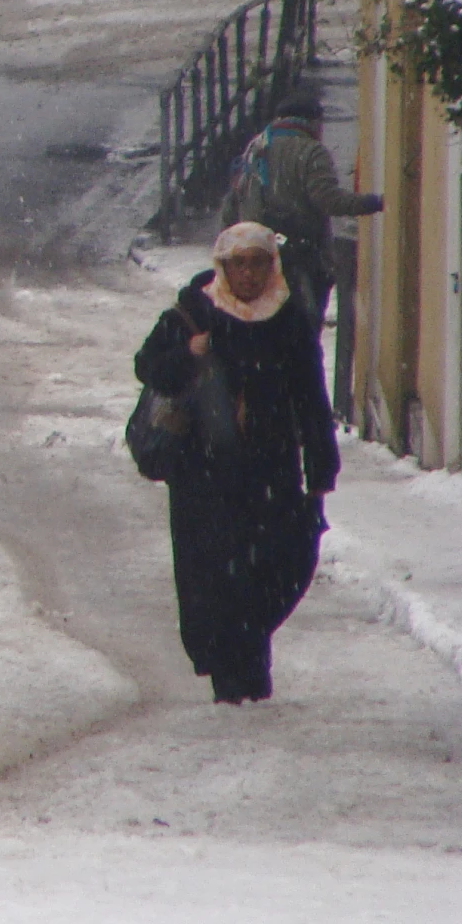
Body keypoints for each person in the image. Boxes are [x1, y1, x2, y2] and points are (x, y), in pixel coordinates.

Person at [134, 222, 339, 703]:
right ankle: (231, 668)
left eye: (258, 263)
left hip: (270, 470)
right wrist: (188, 352)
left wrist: (320, 465)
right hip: (203, 475)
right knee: (212, 576)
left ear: (273, 265)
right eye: (239, 264)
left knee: (275, 565)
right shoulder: (197, 310)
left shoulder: (288, 318)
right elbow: (148, 366)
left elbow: (310, 396)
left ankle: (246, 653)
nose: (248, 274)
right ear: (223, 267)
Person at [220, 87, 383, 331]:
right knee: (301, 335)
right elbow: (328, 200)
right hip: (302, 260)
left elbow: (231, 204)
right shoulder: (310, 151)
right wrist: (376, 202)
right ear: (314, 122)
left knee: (261, 331)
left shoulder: (256, 148)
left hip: (256, 258)